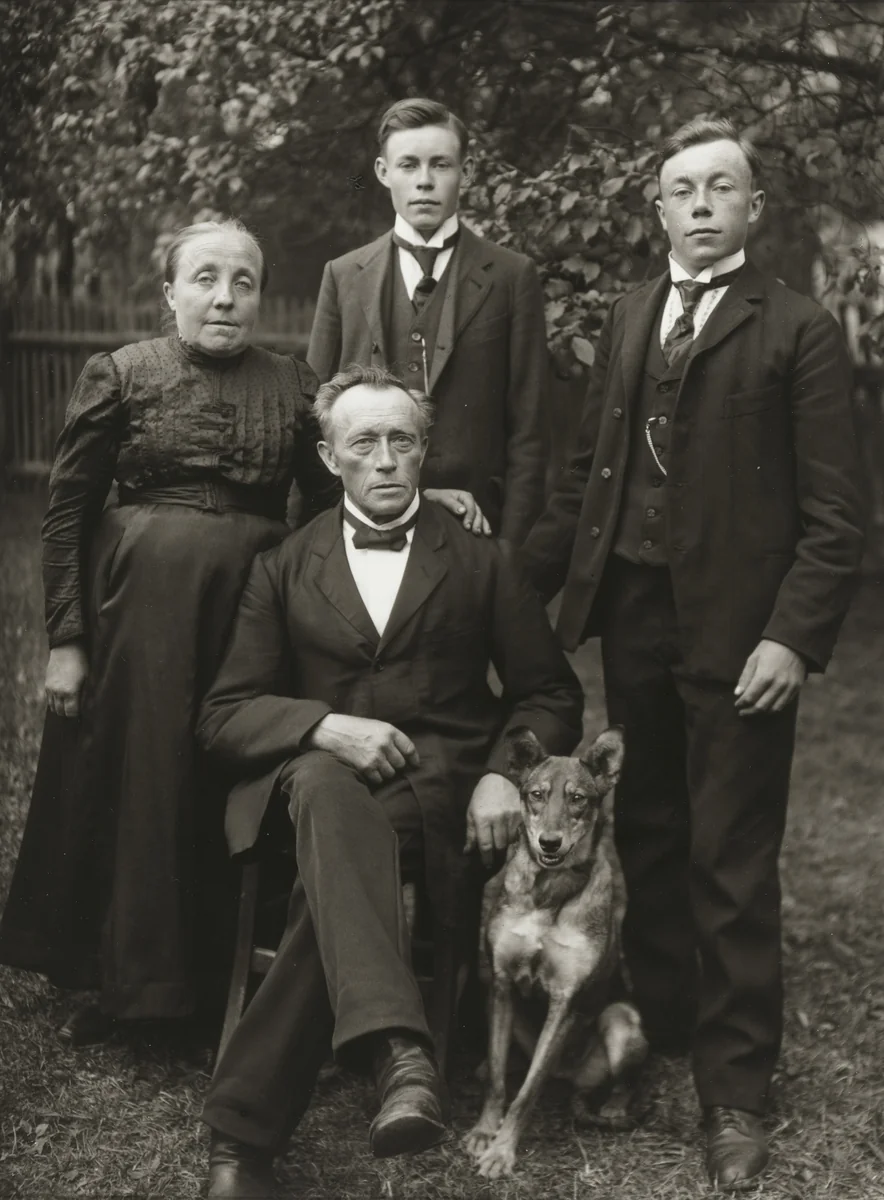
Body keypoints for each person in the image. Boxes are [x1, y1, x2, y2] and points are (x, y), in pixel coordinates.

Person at [520, 118, 865, 1189]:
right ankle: (660, 1020)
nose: (701, 202)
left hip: (740, 636)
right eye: (682, 188)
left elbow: (836, 515)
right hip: (635, 615)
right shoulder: (629, 314)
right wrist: (510, 585)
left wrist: (789, 638)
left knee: (729, 853)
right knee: (653, 832)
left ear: (753, 210)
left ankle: (733, 1091)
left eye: (722, 187)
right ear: (658, 210)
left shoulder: (798, 328)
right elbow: (586, 475)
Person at [195, 364, 583, 1198]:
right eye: (362, 442)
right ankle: (403, 1056)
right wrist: (320, 725)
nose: (384, 458)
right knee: (332, 795)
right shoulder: (284, 566)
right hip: (310, 782)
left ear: (423, 452)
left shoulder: (481, 562)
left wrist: (499, 775)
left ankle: (240, 1142)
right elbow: (225, 712)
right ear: (331, 457)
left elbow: (550, 690)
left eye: (400, 440)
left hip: (438, 791)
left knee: (331, 886)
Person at [0, 220, 343, 1044]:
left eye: (244, 282)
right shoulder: (120, 374)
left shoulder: (295, 385)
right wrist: (69, 641)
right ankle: (129, 986)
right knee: (142, 776)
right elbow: (66, 516)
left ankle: (215, 983)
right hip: (138, 615)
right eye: (205, 279)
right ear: (169, 293)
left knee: (226, 776)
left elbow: (329, 508)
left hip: (251, 609)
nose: (225, 297)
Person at [307, 98, 549, 543]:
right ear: (383, 172)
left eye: (440, 165)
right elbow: (315, 416)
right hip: (364, 527)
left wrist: (513, 551)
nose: (424, 181)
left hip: (477, 530)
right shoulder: (343, 275)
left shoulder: (513, 276)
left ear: (468, 172)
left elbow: (530, 429)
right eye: (408, 165)